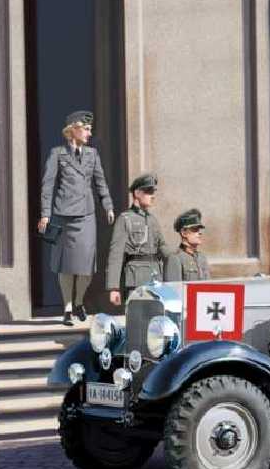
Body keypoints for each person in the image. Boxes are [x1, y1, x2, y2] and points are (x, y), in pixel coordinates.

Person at [38, 110, 114, 325]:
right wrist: (45, 214)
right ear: (73, 130)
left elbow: (100, 182)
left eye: (90, 129)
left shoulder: (92, 154)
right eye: (86, 129)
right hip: (64, 215)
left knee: (86, 267)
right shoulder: (57, 154)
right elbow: (48, 185)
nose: (90, 133)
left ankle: (79, 301)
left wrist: (107, 205)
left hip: (86, 215)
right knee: (66, 266)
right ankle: (68, 308)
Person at [106, 174, 171, 305]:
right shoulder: (125, 219)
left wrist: (180, 256)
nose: (153, 196)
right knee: (137, 320)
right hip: (136, 281)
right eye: (148, 192)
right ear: (137, 193)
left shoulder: (153, 220)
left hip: (156, 279)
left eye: (153, 192)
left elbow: (164, 248)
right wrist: (113, 288)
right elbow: (116, 255)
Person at [164, 209, 211, 282]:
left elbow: (208, 286)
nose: (199, 233)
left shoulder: (202, 258)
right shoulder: (175, 258)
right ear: (184, 233)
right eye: (195, 230)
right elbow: (173, 289)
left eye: (199, 230)